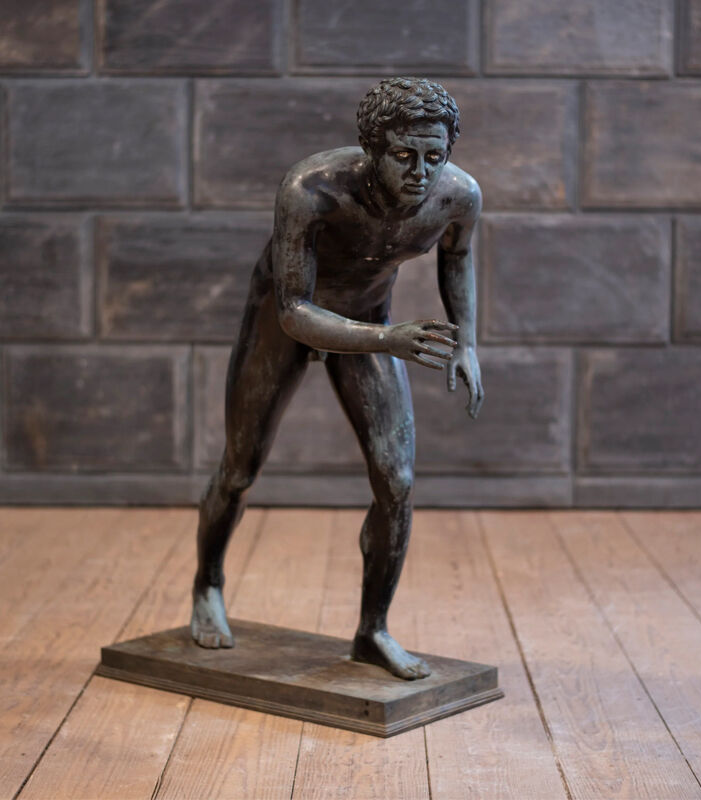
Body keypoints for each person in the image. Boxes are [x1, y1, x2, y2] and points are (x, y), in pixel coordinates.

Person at [192, 77, 483, 680]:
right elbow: (293, 311)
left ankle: (373, 630)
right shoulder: (311, 189)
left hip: (369, 320)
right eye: (403, 156)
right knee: (241, 467)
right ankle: (207, 583)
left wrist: (468, 343)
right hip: (284, 321)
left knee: (397, 482)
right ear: (372, 150)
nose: (421, 173)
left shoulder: (458, 196)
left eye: (434, 156)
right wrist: (388, 341)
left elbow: (457, 257)